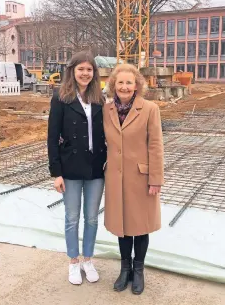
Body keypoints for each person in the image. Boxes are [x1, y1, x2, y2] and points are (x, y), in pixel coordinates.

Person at [103, 64, 164, 295]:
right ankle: (125, 268)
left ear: (137, 85)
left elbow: (156, 146)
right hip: (116, 178)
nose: (125, 87)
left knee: (140, 225)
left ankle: (138, 270)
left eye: (129, 82)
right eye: (120, 82)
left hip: (141, 177)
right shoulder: (107, 110)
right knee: (122, 226)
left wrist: (155, 179)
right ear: (113, 85)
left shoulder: (149, 109)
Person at [47, 51, 106, 285]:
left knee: (91, 218)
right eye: (81, 69)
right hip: (70, 167)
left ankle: (88, 259)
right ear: (72, 71)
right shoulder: (61, 98)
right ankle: (73, 261)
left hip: (95, 168)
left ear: (94, 73)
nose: (85, 73)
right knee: (72, 217)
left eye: (89, 69)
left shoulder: (99, 98)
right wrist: (56, 172)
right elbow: (52, 137)